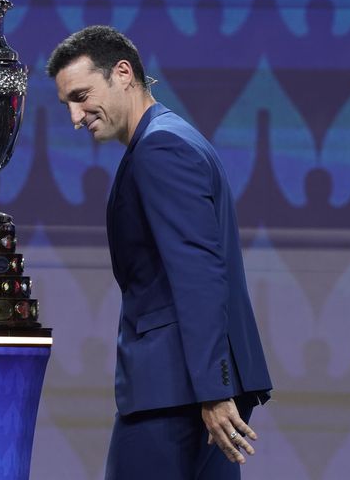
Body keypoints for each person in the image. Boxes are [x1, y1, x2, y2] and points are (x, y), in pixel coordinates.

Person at [47, 26, 273, 479]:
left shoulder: (161, 148)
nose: (75, 116)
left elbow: (199, 273)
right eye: (66, 104)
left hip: (176, 392)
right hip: (191, 389)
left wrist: (212, 392)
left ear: (124, 73)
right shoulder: (173, 137)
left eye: (81, 95)